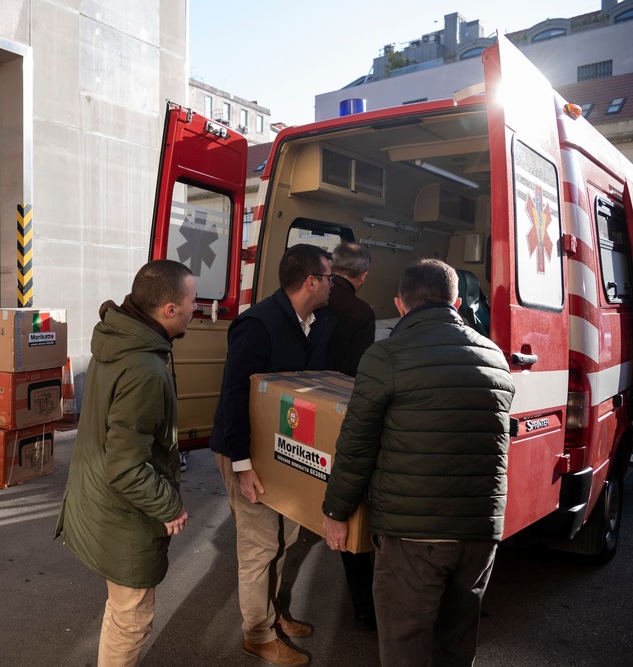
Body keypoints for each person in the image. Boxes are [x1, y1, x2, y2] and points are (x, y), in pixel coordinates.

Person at [322, 259, 515, 667]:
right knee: (457, 644)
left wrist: (336, 511)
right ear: (458, 302)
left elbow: (356, 444)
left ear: (400, 304)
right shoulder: (496, 357)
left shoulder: (385, 356)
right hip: (480, 533)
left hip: (413, 534)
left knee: (405, 644)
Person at [54, 259, 195, 667]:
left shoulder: (120, 339)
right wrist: (169, 506)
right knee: (131, 620)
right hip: (122, 516)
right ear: (170, 309)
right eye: (191, 300)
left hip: (99, 502)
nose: (195, 308)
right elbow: (126, 465)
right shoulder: (145, 367)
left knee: (120, 610)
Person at [211, 243, 336, 667]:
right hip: (244, 451)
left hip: (281, 450)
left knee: (284, 539)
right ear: (311, 282)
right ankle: (258, 635)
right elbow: (232, 397)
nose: (332, 286)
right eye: (329, 278)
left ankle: (273, 613)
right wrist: (242, 466)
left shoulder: (312, 324)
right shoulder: (258, 324)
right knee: (259, 545)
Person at [323, 241, 377, 631]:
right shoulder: (362, 312)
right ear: (363, 276)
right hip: (342, 409)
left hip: (304, 399)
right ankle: (362, 608)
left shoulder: (314, 297)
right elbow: (358, 375)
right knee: (348, 490)